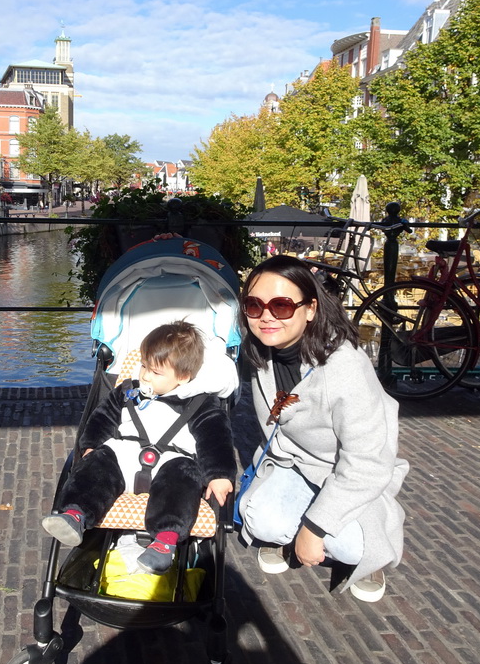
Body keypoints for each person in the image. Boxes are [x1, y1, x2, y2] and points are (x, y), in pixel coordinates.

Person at [237, 255, 409, 602]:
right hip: (292, 462)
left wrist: (314, 529)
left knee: (351, 546)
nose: (266, 316)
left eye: (282, 305)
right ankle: (296, 525)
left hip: (350, 471)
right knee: (259, 521)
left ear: (311, 308)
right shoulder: (260, 351)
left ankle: (368, 548)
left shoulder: (344, 368)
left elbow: (367, 461)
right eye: (253, 305)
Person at [42, 321, 236, 574]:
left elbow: (216, 438)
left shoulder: (200, 403)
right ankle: (75, 515)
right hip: (123, 456)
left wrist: (220, 475)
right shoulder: (128, 392)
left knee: (185, 475)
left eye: (155, 372)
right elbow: (102, 417)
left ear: (183, 377)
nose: (144, 375)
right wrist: (90, 446)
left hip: (171, 462)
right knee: (98, 464)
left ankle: (165, 541)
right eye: (144, 365)